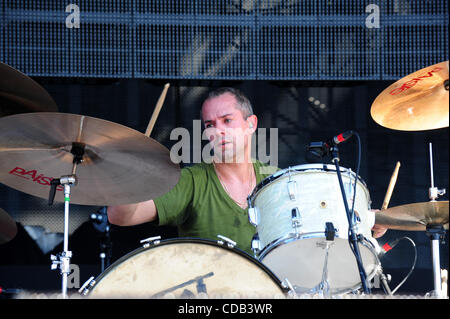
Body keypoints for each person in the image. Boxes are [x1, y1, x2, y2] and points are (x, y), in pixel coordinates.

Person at [107, 87, 387, 256]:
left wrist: (364, 224)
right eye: (209, 125)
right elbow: (119, 216)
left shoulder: (277, 181)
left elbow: (323, 225)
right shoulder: (191, 180)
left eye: (227, 120)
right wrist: (130, 175)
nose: (218, 131)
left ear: (251, 124)